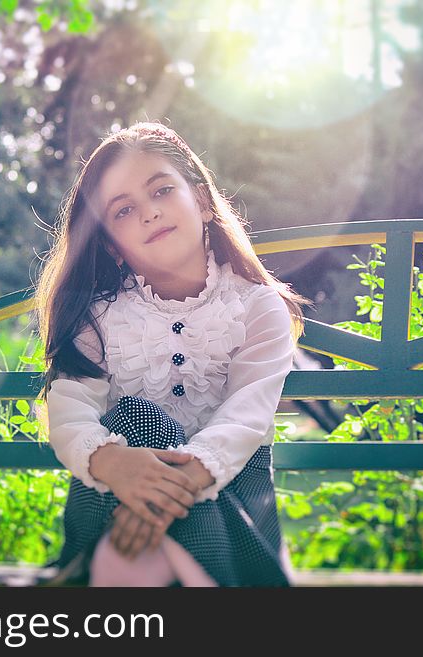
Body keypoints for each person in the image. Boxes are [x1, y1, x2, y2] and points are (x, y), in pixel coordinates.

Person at [34, 121, 312, 586]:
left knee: (149, 433)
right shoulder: (97, 319)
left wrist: (166, 493)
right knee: (137, 420)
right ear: (109, 245)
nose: (149, 213)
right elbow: (70, 413)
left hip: (234, 502)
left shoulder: (256, 306)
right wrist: (116, 466)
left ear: (202, 202)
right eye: (123, 211)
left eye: (161, 190)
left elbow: (244, 419)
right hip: (114, 495)